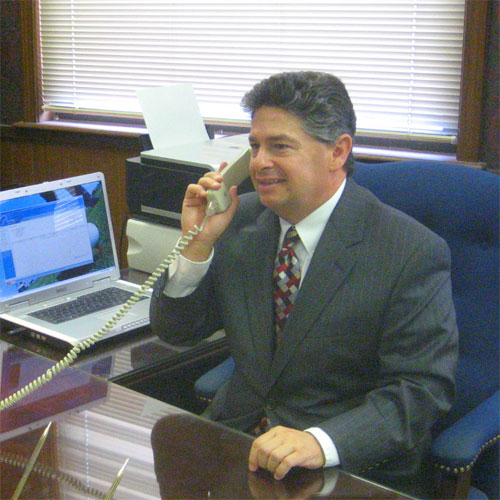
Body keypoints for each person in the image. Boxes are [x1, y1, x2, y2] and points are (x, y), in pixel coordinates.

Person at [149, 71, 458, 493]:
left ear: (338, 151)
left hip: (343, 467)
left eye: (280, 146)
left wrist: (321, 441)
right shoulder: (238, 222)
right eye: (254, 146)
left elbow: (422, 391)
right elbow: (178, 332)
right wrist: (197, 245)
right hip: (238, 441)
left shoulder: (409, 252)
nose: (258, 163)